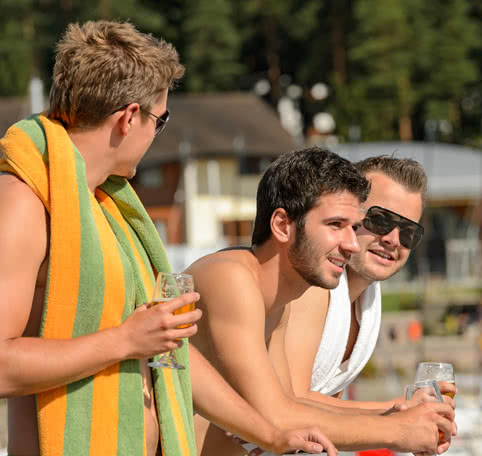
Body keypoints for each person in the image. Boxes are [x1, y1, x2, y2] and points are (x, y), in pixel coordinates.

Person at [0, 20, 335, 456]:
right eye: (160, 120)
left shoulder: (106, 208)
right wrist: (125, 340)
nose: (157, 136)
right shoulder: (25, 203)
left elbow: (168, 355)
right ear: (128, 118)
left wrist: (270, 435)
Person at [186, 147, 455, 456]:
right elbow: (279, 416)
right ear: (283, 225)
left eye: (353, 227)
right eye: (336, 225)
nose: (351, 243)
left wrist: (402, 414)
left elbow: (287, 405)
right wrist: (400, 430)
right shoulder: (232, 278)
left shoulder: (279, 302)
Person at [282, 156, 456, 408]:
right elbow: (292, 404)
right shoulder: (311, 287)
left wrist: (409, 410)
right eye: (381, 220)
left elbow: (329, 407)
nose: (393, 239)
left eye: (408, 231)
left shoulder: (367, 303)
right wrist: (400, 414)